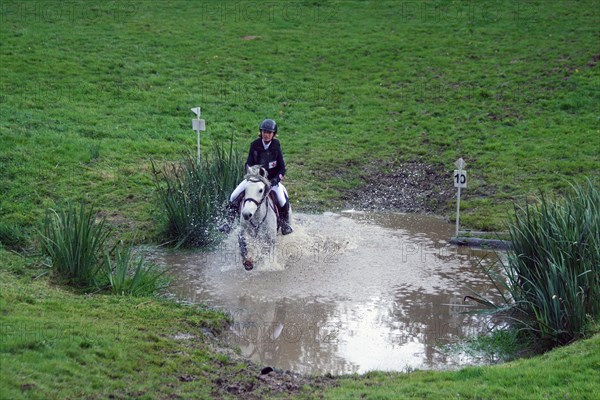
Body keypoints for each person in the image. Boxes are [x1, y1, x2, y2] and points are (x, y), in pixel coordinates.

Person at [220, 118, 293, 235]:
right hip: (255, 179)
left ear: (273, 134)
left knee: (282, 199)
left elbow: (282, 168)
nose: (266, 135)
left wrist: (275, 180)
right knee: (234, 196)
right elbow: (248, 163)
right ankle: (228, 223)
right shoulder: (254, 145)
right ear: (261, 132)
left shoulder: (276, 145)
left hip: (271, 180)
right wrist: (250, 174)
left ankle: (285, 224)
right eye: (264, 132)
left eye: (269, 132)